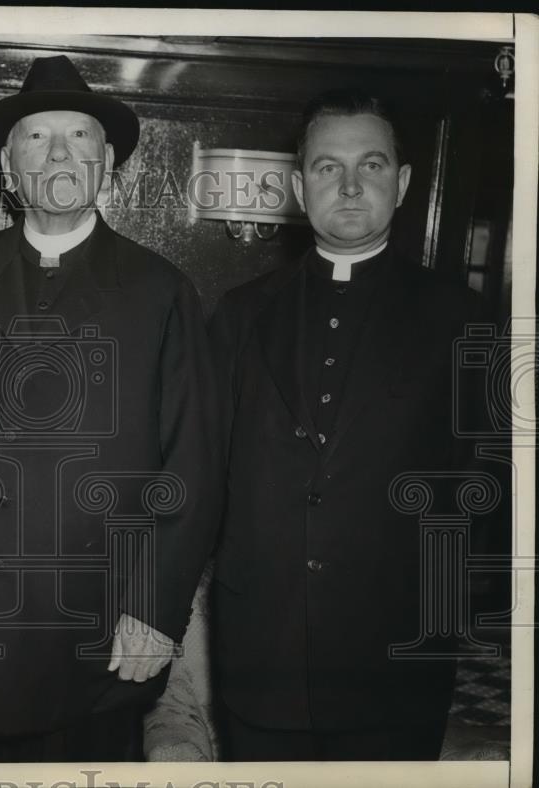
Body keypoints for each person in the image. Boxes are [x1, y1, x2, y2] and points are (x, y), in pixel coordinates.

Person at [0, 55, 220, 761]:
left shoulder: (161, 292)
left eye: (80, 137)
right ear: (8, 168)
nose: (60, 153)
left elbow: (193, 463)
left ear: (109, 165)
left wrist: (156, 611)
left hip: (99, 630)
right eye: (38, 138)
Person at [207, 89, 478, 761]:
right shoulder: (239, 315)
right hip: (260, 658)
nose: (351, 186)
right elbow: (201, 472)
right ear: (300, 186)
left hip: (396, 663)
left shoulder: (463, 320)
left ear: (404, 182)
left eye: (373, 165)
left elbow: (492, 486)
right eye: (329, 167)